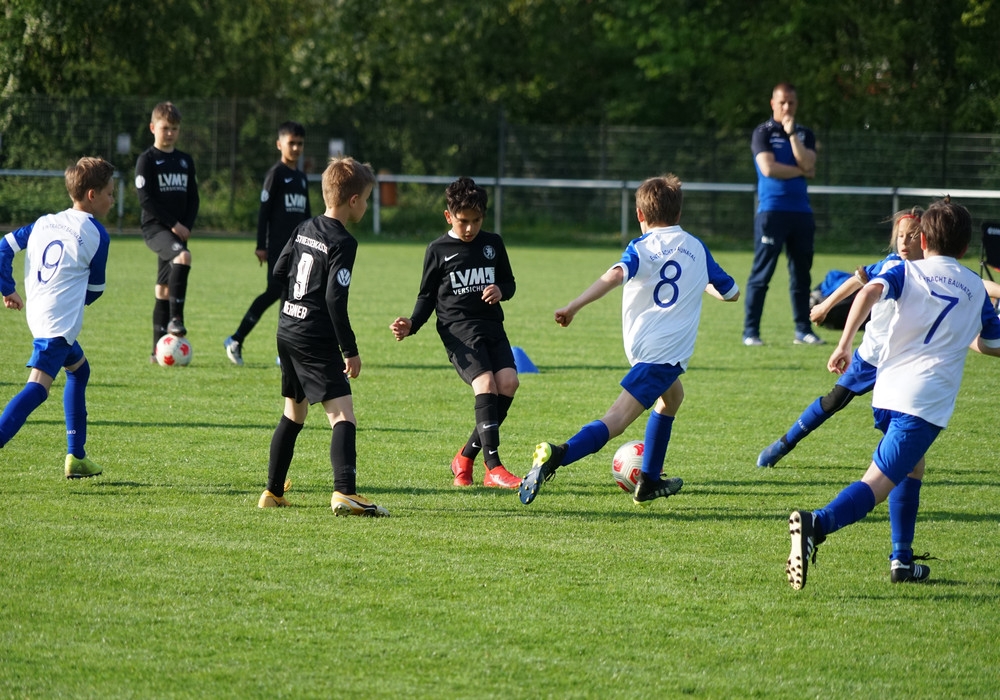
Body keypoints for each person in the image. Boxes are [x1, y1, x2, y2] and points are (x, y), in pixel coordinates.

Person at [787, 198, 1000, 590]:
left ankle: (901, 559)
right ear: (966, 247)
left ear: (925, 239)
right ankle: (816, 524)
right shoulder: (974, 285)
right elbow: (992, 343)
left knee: (912, 467)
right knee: (877, 484)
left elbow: (867, 292)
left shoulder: (906, 270)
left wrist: (844, 343)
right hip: (923, 402)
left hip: (886, 392)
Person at [518, 174, 740, 506]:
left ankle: (648, 481)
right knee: (617, 420)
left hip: (644, 347)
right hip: (663, 353)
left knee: (672, 398)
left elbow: (616, 274)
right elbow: (732, 293)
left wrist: (574, 306)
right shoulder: (696, 247)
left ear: (640, 214)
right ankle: (556, 454)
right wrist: (701, 280)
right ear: (679, 213)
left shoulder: (640, 247)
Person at [257, 156, 388, 517]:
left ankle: (272, 491)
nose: (366, 205)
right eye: (366, 199)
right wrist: (350, 349)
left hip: (287, 329)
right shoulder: (344, 241)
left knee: (293, 414)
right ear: (353, 201)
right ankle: (345, 492)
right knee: (343, 416)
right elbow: (334, 299)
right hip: (315, 336)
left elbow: (280, 271)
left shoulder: (304, 226)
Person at [757, 208, 924, 468]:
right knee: (833, 401)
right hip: (871, 356)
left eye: (912, 236)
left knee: (899, 418)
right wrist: (825, 306)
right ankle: (784, 443)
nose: (904, 242)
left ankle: (898, 468)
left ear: (925, 238)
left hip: (905, 361)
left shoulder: (933, 273)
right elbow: (857, 281)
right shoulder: (891, 265)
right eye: (900, 235)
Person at [390, 177, 522, 489]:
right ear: (449, 216)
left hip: (492, 325)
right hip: (458, 329)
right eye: (463, 221)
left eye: (476, 221)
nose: (470, 228)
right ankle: (494, 467)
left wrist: (501, 290)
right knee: (486, 384)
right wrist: (412, 324)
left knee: (508, 383)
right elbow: (426, 296)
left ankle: (464, 458)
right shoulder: (438, 250)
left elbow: (510, 283)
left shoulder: (493, 244)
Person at [0, 156, 115, 478]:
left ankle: (77, 457)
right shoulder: (96, 233)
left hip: (38, 314)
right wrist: (73, 300)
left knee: (79, 370)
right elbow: (95, 290)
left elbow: (3, 248)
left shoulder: (44, 222)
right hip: (57, 325)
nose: (113, 199)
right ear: (92, 195)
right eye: (110, 193)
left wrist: (7, 288)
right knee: (38, 388)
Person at [225, 121, 311, 366]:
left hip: (298, 249)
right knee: (275, 291)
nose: (296, 148)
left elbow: (306, 215)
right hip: (277, 248)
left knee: (290, 298)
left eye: (300, 143)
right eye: (291, 143)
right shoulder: (276, 175)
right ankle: (236, 339)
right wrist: (260, 245)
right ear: (279, 144)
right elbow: (264, 212)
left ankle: (284, 352)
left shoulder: (301, 178)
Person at [743, 82, 821, 347]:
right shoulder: (762, 132)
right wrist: (801, 171)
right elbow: (768, 168)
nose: (787, 107)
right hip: (772, 212)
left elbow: (809, 162)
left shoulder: (804, 134)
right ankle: (751, 332)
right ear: (772, 103)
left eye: (791, 102)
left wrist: (792, 135)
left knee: (801, 275)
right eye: (782, 102)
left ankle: (803, 331)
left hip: (801, 213)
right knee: (762, 274)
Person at [134, 101, 199, 358]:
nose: (170, 133)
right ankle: (176, 319)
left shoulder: (185, 161)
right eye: (165, 128)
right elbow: (145, 199)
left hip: (178, 231)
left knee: (162, 288)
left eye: (174, 128)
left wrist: (186, 226)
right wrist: (174, 225)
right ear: (153, 128)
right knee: (183, 257)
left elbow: (194, 198)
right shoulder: (147, 160)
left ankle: (156, 351)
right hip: (156, 228)